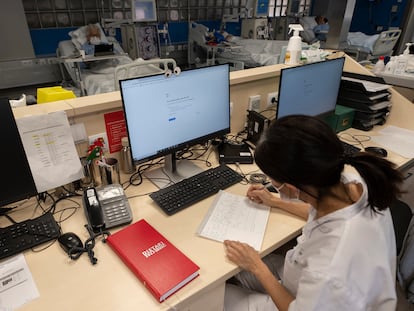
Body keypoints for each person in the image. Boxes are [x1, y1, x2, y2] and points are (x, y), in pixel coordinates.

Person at [224, 115, 403, 311]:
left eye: (274, 182)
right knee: (235, 268)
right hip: (310, 279)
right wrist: (274, 201)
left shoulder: (329, 267)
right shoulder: (351, 182)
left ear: (292, 188)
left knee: (220, 296)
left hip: (312, 300)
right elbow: (324, 213)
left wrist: (258, 268)